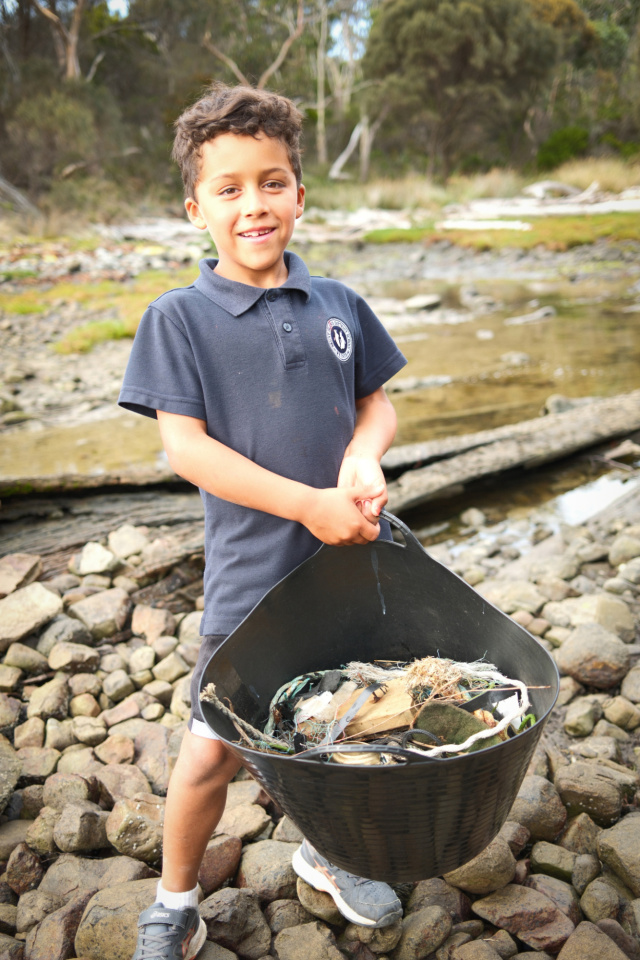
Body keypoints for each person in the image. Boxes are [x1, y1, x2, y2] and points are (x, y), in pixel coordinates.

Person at [119, 81, 407, 960]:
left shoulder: (338, 305)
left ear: (300, 194)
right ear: (195, 207)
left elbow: (377, 407)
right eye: (231, 188)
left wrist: (362, 462)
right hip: (254, 582)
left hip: (351, 566)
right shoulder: (179, 319)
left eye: (272, 182)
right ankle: (175, 901)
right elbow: (187, 452)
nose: (255, 205)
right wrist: (305, 505)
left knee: (334, 726)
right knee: (214, 751)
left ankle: (327, 853)